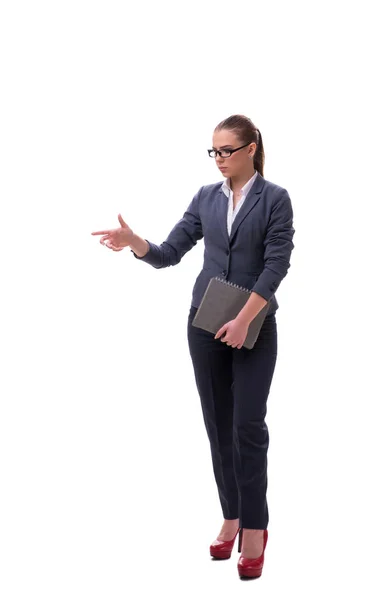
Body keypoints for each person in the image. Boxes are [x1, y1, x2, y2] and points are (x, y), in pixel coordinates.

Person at [91, 114, 295, 579]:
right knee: (219, 427)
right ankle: (232, 515)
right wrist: (135, 242)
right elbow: (168, 254)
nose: (219, 159)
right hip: (204, 325)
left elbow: (276, 265)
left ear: (250, 149)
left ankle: (257, 528)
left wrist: (245, 320)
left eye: (226, 150)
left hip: (255, 327)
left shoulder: (275, 199)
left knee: (248, 426)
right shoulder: (205, 198)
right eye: (214, 151)